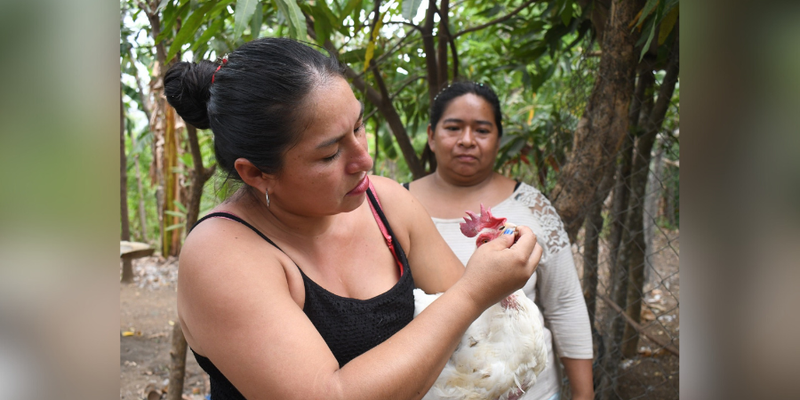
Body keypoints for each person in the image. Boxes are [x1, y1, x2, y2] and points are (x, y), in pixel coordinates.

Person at [163, 38, 543, 400]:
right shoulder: (222, 255)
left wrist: (496, 281)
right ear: (257, 174)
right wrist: (474, 292)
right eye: (329, 155)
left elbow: (469, 337)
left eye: (358, 127)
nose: (364, 159)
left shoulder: (387, 204)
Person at [406, 81, 594, 400]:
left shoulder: (531, 205)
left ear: (498, 138)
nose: (467, 140)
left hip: (531, 390)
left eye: (481, 130)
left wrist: (583, 395)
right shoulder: (395, 205)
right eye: (453, 127)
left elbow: (565, 304)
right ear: (431, 136)